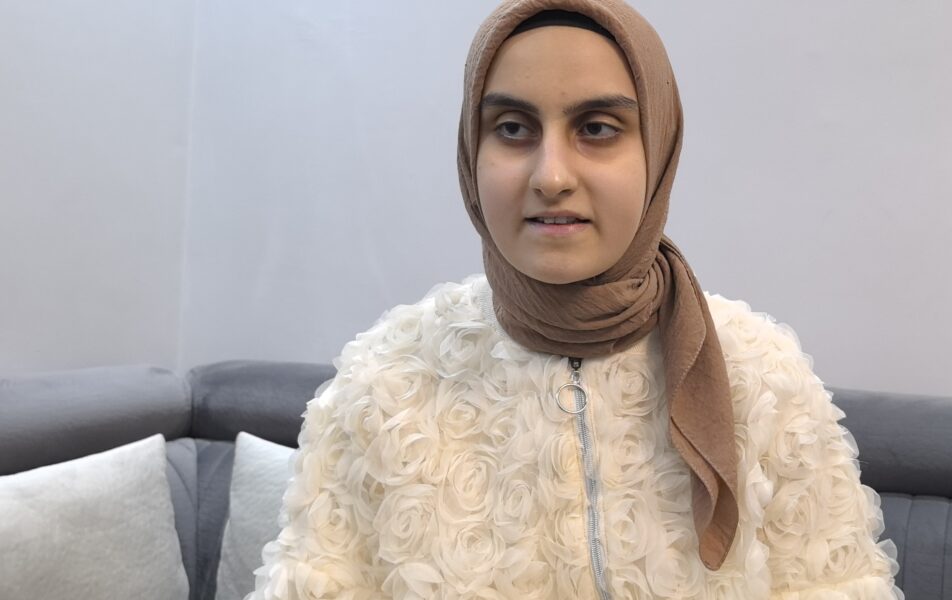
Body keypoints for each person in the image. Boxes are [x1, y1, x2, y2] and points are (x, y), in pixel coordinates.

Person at [249, 1, 903, 598]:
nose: (552, 176)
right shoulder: (383, 386)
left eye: (597, 127)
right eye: (513, 128)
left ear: (658, 148)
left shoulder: (758, 376)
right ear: (471, 152)